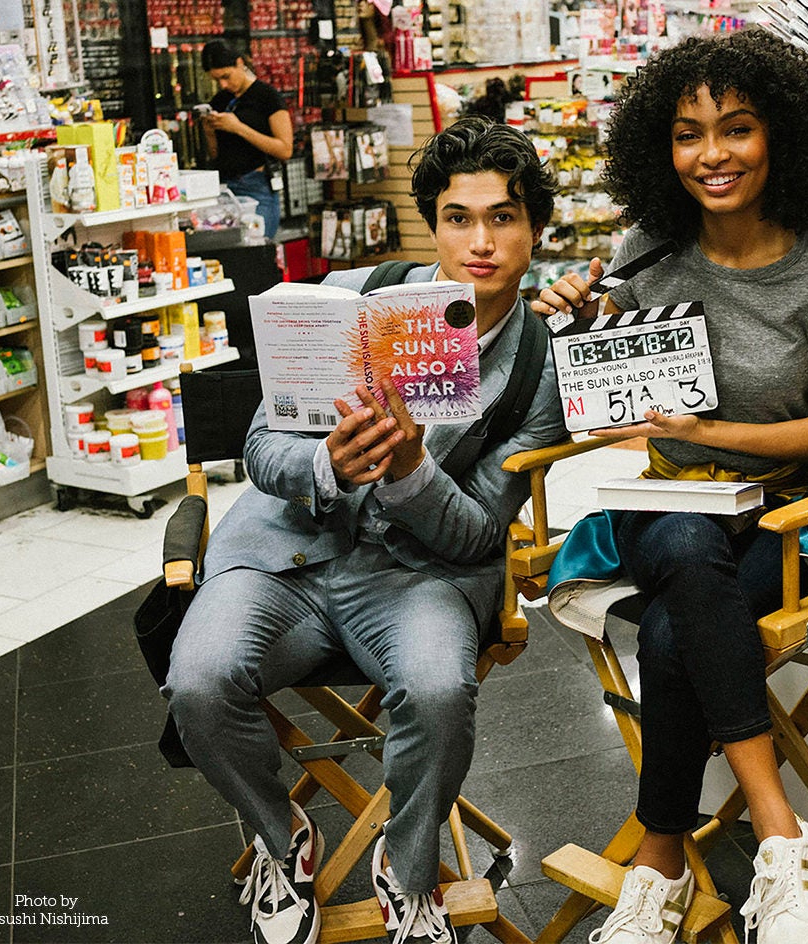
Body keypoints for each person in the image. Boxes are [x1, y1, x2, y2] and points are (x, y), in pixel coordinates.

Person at [165, 116, 569, 944]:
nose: (481, 241)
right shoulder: (349, 296)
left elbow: (475, 535)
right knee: (198, 681)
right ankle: (284, 841)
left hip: (417, 577)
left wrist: (411, 472)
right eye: (459, 217)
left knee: (438, 690)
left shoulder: (537, 369)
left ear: (536, 230)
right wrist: (329, 468)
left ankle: (408, 870)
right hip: (283, 556)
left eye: (504, 217)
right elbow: (259, 446)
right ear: (433, 222)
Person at [533, 29, 808, 944]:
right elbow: (605, 383)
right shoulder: (648, 250)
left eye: (736, 129)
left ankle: (658, 858)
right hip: (667, 506)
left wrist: (708, 434)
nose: (711, 155)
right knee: (683, 546)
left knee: (677, 627)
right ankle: (778, 837)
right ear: (661, 148)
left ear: (783, 138)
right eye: (687, 134)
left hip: (785, 519)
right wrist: (579, 320)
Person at [200, 40, 294, 239]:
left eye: (226, 76)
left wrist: (239, 128)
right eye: (217, 80)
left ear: (239, 63)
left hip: (256, 185)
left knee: (258, 250)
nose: (224, 85)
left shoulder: (267, 97)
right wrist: (209, 131)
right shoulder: (220, 100)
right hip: (225, 187)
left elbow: (285, 149)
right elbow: (216, 153)